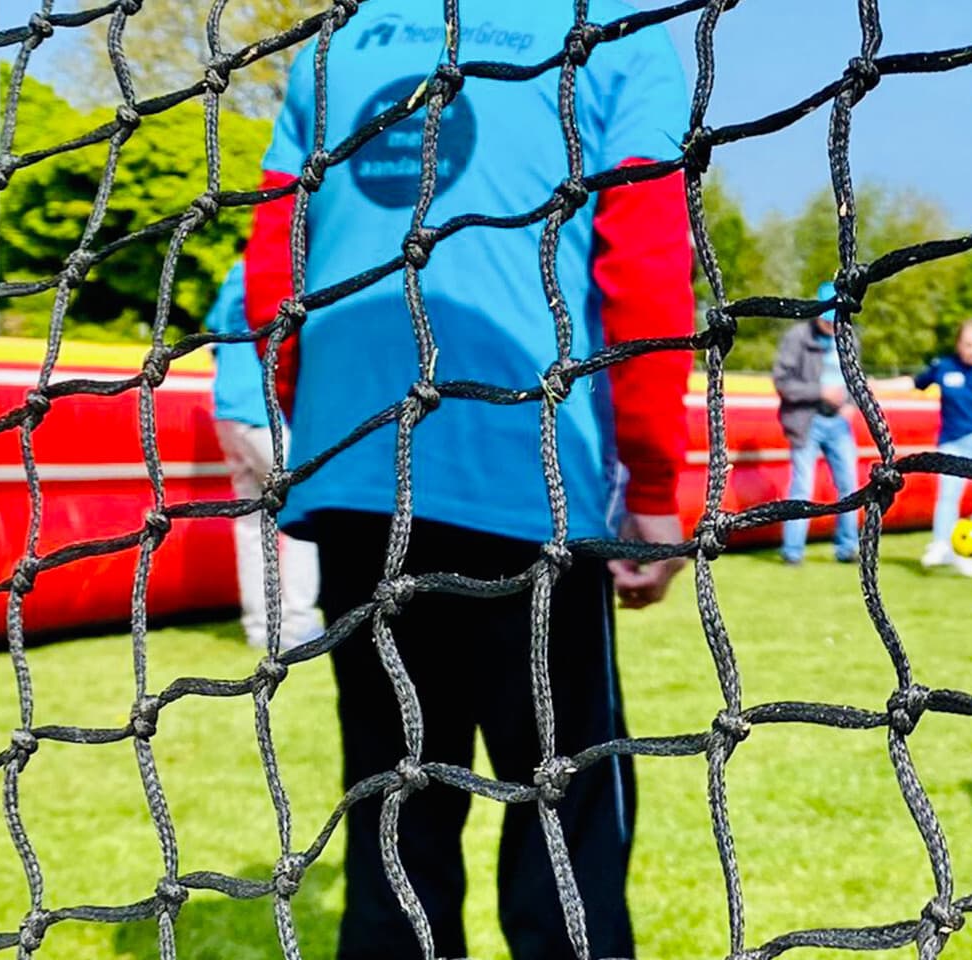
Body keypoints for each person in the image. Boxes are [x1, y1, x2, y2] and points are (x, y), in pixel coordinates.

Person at [244, 3, 693, 957]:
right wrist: (653, 489)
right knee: (565, 816)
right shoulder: (617, 28)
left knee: (395, 809)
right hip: (531, 477)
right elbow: (649, 263)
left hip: (360, 470)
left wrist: (316, 420)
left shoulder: (339, 36)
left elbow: (274, 258)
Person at [205, 261, 322, 649]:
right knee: (302, 512)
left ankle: (260, 627)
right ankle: (299, 624)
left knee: (252, 525)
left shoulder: (236, 271)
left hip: (228, 409)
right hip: (265, 411)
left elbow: (215, 341)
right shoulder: (289, 266)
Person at [876, 320, 972, 577]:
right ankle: (941, 544)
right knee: (949, 494)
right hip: (953, 442)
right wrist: (876, 385)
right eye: (969, 344)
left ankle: (965, 547)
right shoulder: (944, 367)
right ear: (959, 344)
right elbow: (913, 383)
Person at [773, 282, 861, 565]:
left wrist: (851, 405)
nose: (830, 326)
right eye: (826, 320)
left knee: (850, 485)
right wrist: (820, 392)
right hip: (806, 422)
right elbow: (782, 383)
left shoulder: (848, 338)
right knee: (802, 487)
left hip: (838, 422)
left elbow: (855, 378)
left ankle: (848, 548)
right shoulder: (797, 337)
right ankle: (792, 551)